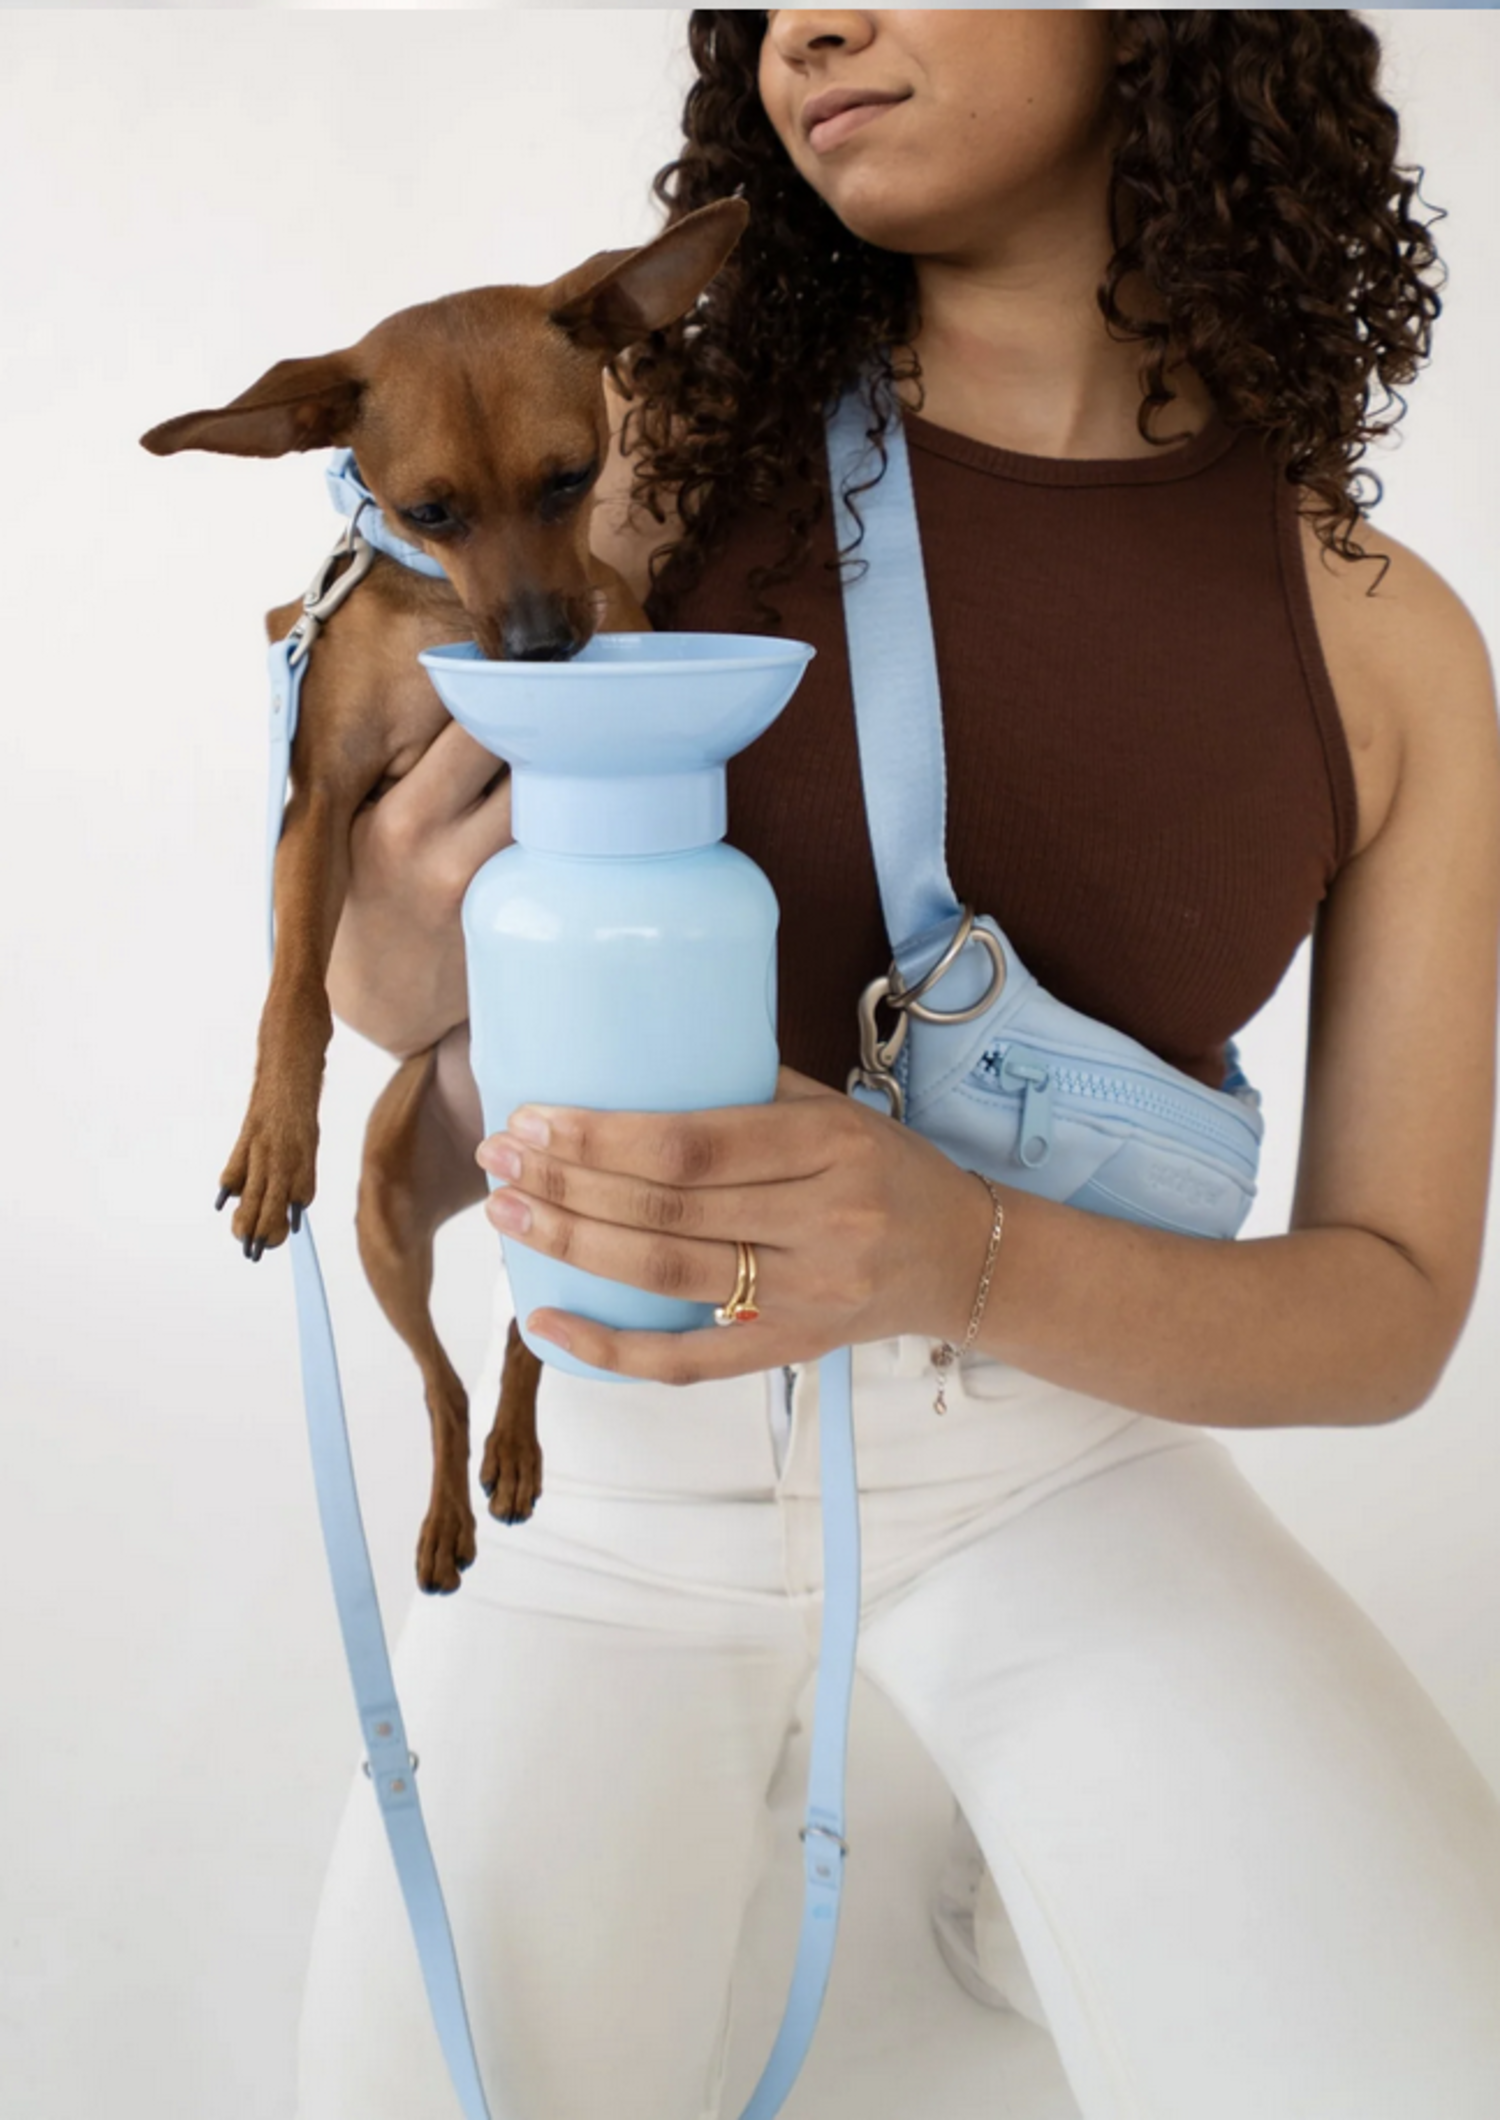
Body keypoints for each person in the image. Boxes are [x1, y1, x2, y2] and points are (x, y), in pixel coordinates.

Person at [300, 12, 1500, 2118]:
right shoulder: (628, 464)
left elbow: (1390, 1307)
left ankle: (979, 1847)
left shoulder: (1385, 636)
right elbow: (386, 984)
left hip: (1064, 1459)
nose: (809, 28)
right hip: (611, 1479)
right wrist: (391, 925)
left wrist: (952, 1256)